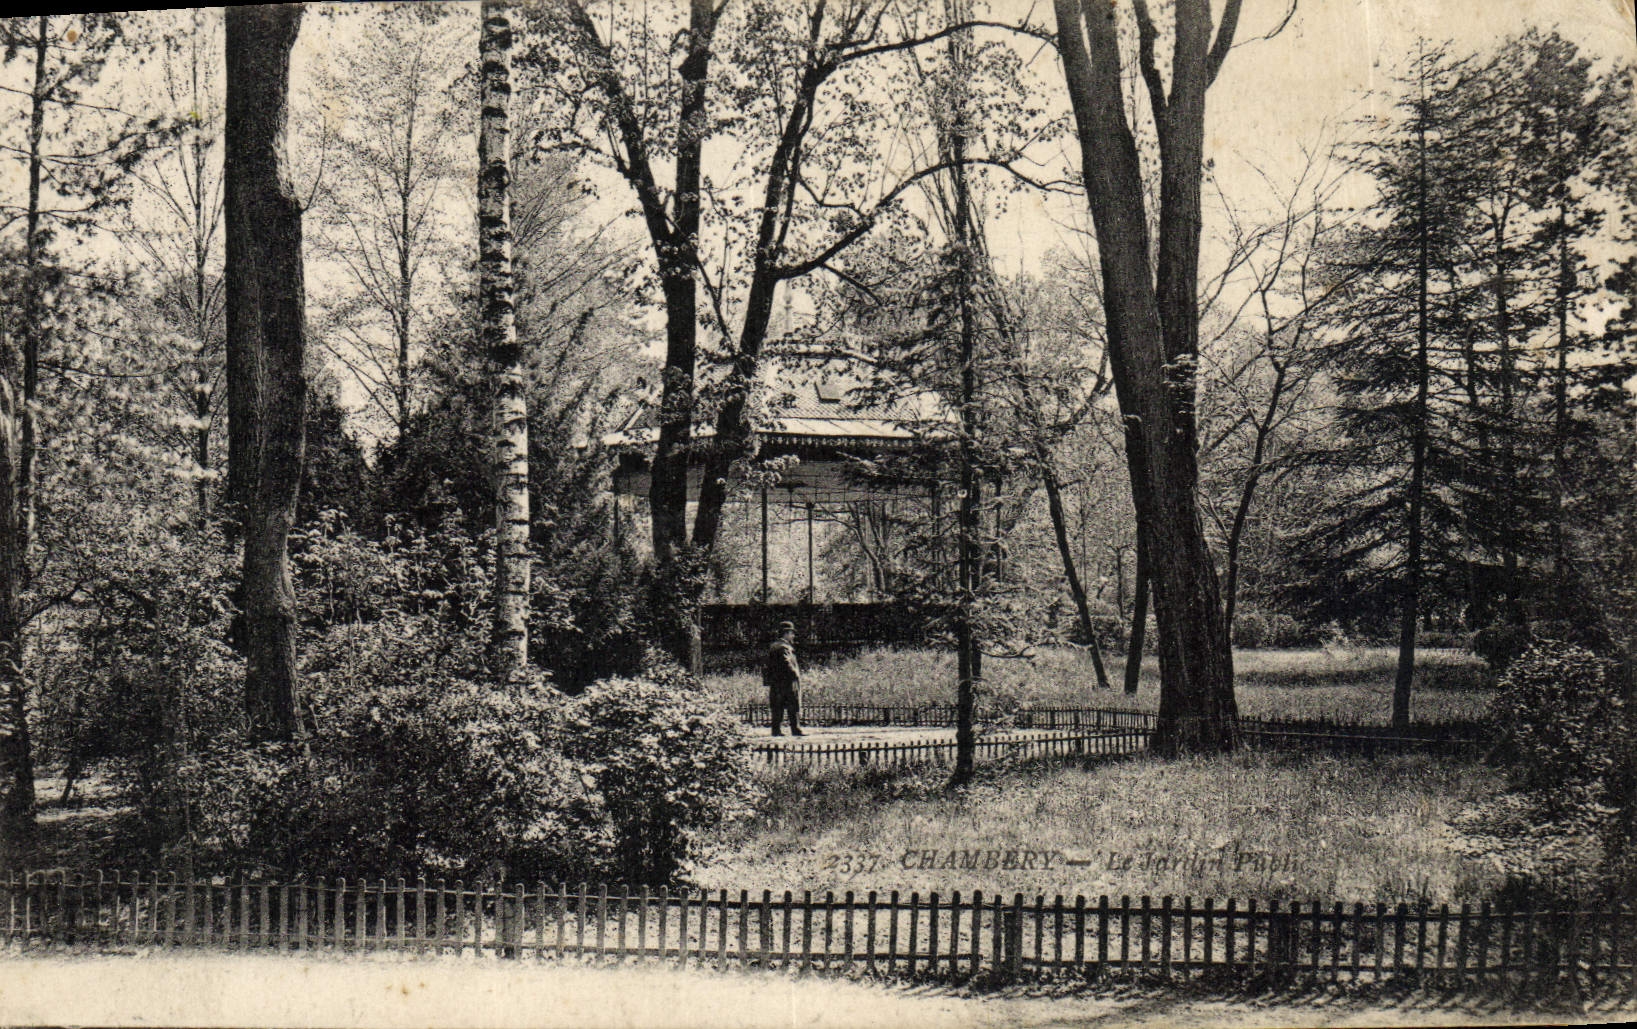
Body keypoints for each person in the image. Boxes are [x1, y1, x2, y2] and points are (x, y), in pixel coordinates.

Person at [764, 620, 803, 737]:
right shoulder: (783, 647)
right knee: (793, 705)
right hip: (787, 682)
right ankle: (795, 730)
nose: (793, 636)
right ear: (786, 633)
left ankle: (776, 730)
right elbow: (787, 664)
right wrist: (795, 674)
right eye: (792, 633)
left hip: (776, 683)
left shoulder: (774, 646)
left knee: (777, 707)